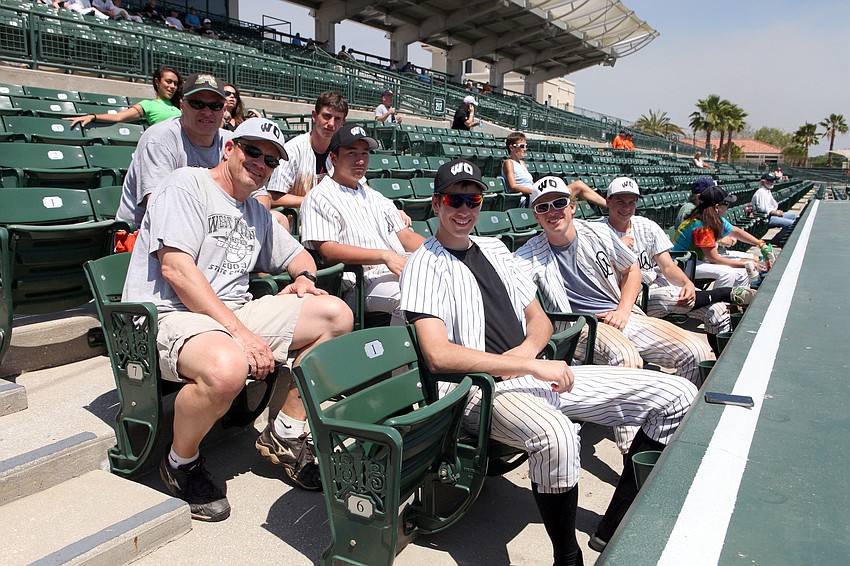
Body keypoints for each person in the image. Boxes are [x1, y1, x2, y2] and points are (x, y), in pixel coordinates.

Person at [398, 159, 697, 562]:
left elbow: (538, 319)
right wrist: (529, 365)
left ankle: (613, 526)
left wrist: (525, 355)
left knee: (678, 394)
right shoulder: (424, 264)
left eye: (473, 199)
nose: (464, 209)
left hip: (528, 375)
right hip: (476, 391)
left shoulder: (493, 247)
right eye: (455, 199)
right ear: (435, 205)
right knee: (556, 435)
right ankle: (567, 557)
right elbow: (439, 356)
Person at [124, 118, 353, 520]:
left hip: (232, 312)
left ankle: (286, 432)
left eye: (271, 160)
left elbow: (299, 255)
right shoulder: (186, 184)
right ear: (229, 148)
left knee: (335, 314)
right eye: (253, 151)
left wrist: (303, 278)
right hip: (169, 313)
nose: (261, 164)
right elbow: (176, 270)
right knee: (229, 366)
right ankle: (180, 463)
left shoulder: (255, 211)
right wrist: (240, 333)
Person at [515, 177, 713, 389]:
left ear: (572, 207)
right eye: (543, 207)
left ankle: (678, 418)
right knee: (627, 358)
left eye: (559, 203)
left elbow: (632, 270)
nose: (552, 212)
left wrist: (623, 311)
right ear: (536, 215)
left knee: (695, 352)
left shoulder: (598, 232)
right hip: (582, 326)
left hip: (620, 315)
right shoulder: (526, 256)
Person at [604, 177, 756, 354]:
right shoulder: (597, 231)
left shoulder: (647, 226)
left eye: (631, 202)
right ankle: (724, 293)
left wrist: (687, 283)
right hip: (632, 296)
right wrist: (616, 246)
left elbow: (667, 267)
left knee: (718, 310)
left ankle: (720, 364)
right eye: (620, 201)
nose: (626, 207)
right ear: (608, 201)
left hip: (658, 284)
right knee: (669, 296)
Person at [301, 125, 425, 323]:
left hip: (397, 271)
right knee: (412, 300)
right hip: (358, 283)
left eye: (365, 153)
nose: (360, 160)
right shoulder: (319, 197)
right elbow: (328, 251)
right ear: (333, 158)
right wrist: (384, 256)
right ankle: (404, 353)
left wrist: (440, 252)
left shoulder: (376, 196)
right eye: (351, 153)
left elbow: (406, 236)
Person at [117, 73, 230, 227]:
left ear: (224, 110)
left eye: (215, 106)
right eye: (197, 104)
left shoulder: (231, 142)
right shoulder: (160, 138)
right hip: (145, 232)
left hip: (206, 225)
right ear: (182, 105)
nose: (207, 112)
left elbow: (258, 195)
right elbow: (160, 207)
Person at [266, 91, 348, 211]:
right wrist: (315, 201)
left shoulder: (341, 151)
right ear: (314, 116)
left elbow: (362, 185)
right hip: (299, 222)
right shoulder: (292, 150)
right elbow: (272, 197)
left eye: (337, 119)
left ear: (343, 123)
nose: (331, 124)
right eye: (326, 116)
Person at [672, 186, 768, 288]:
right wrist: (746, 263)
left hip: (695, 260)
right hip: (681, 263)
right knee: (727, 273)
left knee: (742, 272)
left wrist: (760, 244)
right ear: (717, 207)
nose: (728, 207)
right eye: (726, 204)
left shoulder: (712, 218)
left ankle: (736, 300)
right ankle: (717, 301)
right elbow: (715, 259)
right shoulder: (702, 226)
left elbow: (735, 231)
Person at [66, 66, 182, 130]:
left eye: (175, 84)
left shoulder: (180, 106)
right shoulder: (149, 105)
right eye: (168, 82)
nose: (172, 86)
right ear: (157, 82)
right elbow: (119, 116)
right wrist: (93, 116)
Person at [752, 173, 798, 244]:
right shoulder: (761, 192)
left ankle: (783, 238)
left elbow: (772, 206)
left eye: (772, 180)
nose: (772, 182)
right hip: (766, 218)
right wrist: (776, 213)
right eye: (770, 181)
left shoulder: (767, 190)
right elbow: (762, 209)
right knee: (791, 224)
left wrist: (777, 211)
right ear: (763, 182)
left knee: (794, 216)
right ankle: (777, 240)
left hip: (772, 215)